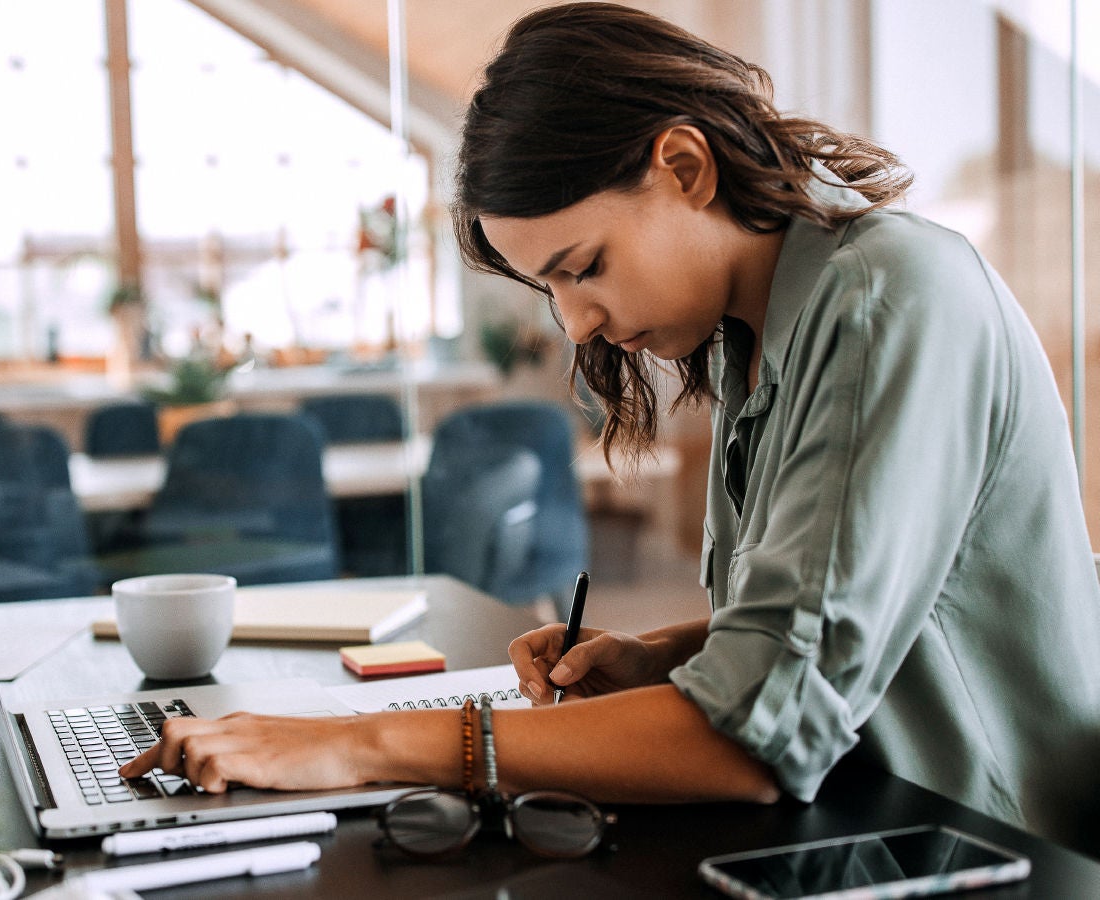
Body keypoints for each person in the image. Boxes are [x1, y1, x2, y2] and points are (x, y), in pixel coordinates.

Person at [122, 2, 1100, 844]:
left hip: (977, 844)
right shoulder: (749, 332)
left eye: (580, 266)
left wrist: (353, 743)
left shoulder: (888, 297)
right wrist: (670, 658)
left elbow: (752, 739)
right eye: (549, 285)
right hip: (852, 825)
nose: (575, 321)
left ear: (684, 165)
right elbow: (832, 629)